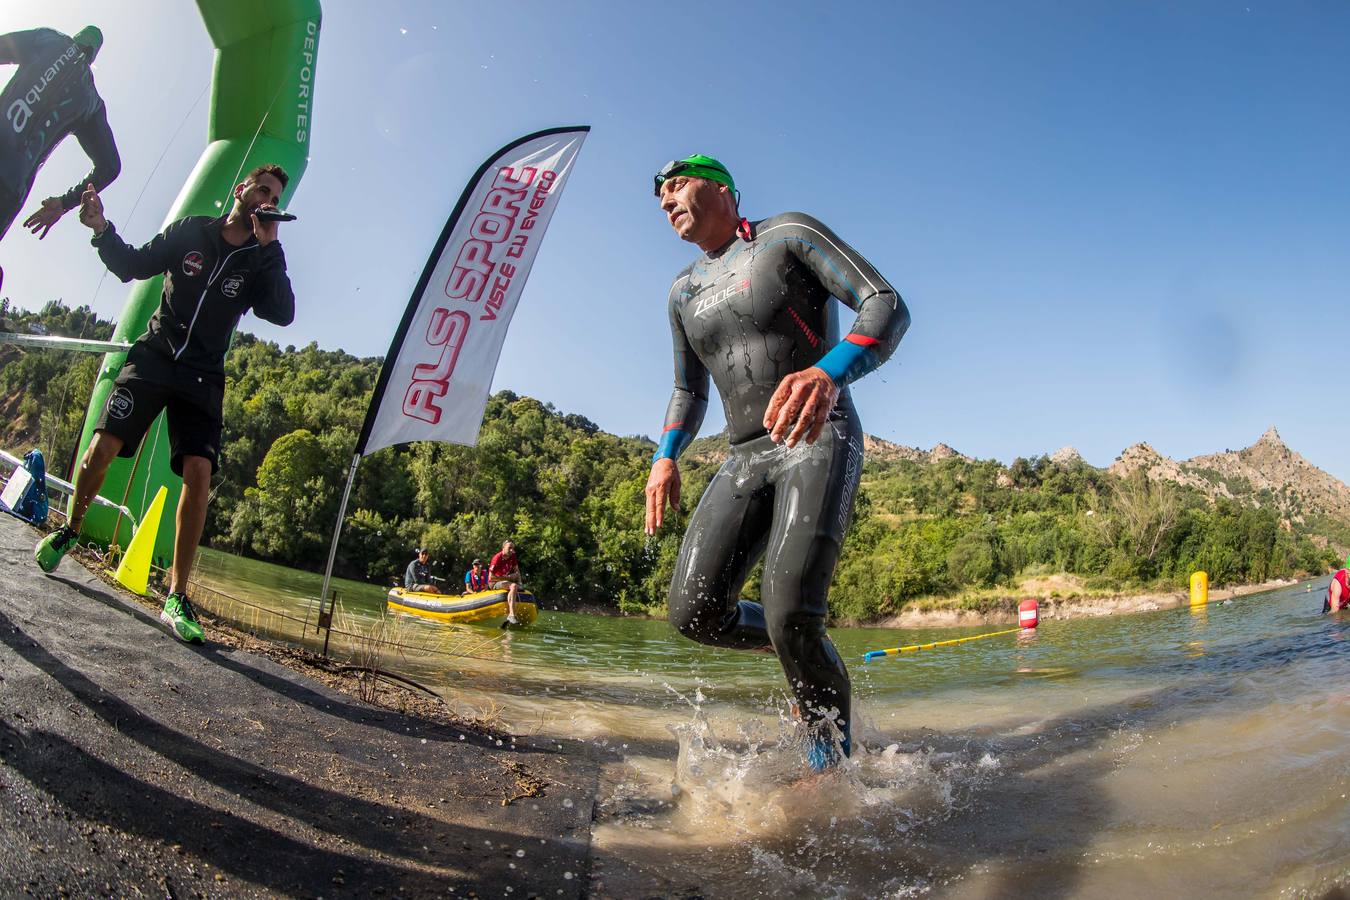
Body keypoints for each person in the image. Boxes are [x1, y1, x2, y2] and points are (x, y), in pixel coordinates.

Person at [644, 154, 910, 771]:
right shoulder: (682, 292)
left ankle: (828, 773)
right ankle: (797, 647)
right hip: (743, 456)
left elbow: (885, 304)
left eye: (677, 184)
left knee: (791, 610)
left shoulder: (787, 235)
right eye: (659, 197)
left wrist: (827, 372)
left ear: (722, 188)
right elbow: (687, 390)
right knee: (694, 613)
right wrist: (665, 457)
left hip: (816, 435)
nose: (666, 200)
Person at [34, 164, 296, 643]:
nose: (267, 201)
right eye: (262, 190)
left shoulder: (259, 260)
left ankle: (176, 595)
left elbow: (282, 313)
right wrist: (101, 230)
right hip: (155, 356)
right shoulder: (191, 231)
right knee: (102, 449)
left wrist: (270, 246)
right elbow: (133, 265)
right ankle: (71, 528)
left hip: (203, 375)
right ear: (240, 189)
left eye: (275, 198)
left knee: (199, 473)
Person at [0, 26, 120, 243]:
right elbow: (110, 167)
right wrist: (65, 203)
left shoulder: (48, 39)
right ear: (93, 55)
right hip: (10, 188)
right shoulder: (90, 100)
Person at [488, 540, 523, 624]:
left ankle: (512, 614)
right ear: (503, 548)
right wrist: (508, 577)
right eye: (509, 548)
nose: (512, 550)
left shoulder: (513, 556)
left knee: (516, 585)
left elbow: (517, 571)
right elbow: (491, 577)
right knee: (513, 586)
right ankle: (511, 615)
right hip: (494, 583)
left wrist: (520, 583)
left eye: (513, 548)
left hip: (505, 581)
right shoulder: (497, 558)